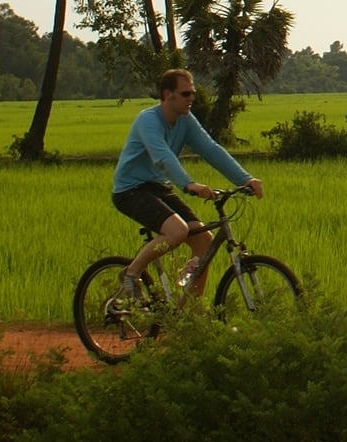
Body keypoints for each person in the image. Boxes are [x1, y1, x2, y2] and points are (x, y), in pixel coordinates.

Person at [111, 68, 264, 303]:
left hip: (158, 187)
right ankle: (131, 273)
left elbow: (211, 149)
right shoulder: (148, 120)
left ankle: (190, 313)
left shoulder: (186, 120)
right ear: (167, 94)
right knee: (178, 231)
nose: (191, 98)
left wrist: (245, 179)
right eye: (185, 94)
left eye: (192, 93)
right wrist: (188, 184)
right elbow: (162, 156)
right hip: (130, 189)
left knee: (204, 242)